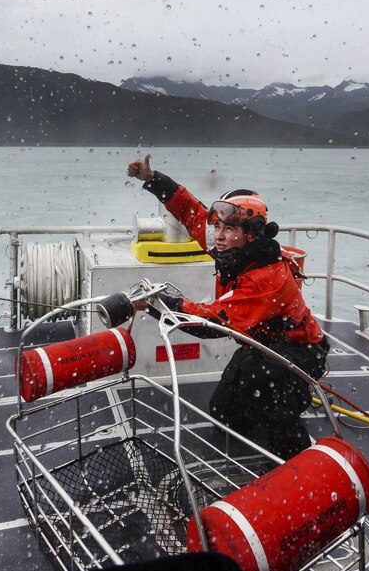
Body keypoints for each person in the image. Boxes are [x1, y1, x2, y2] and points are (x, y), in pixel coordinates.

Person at [126, 153, 329, 460]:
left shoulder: (266, 277)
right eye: (217, 226)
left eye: (228, 229)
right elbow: (190, 211)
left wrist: (156, 303)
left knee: (275, 403)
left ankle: (300, 459)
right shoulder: (232, 248)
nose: (218, 236)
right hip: (260, 345)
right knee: (224, 415)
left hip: (300, 351)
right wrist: (153, 179)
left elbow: (213, 323)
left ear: (250, 234)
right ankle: (275, 402)